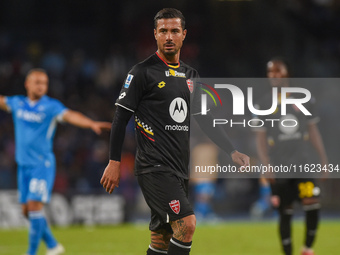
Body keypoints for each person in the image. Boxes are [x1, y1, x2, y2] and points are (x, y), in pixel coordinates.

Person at [100, 8, 249, 255]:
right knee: (187, 225)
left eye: (174, 31)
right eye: (163, 31)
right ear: (155, 35)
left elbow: (204, 118)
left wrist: (231, 150)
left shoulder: (191, 76)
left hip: (179, 167)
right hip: (154, 167)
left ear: (184, 35)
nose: (169, 36)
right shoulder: (141, 72)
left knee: (162, 239)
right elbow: (120, 118)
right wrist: (114, 161)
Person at [0, 68, 111, 255]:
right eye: (37, 82)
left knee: (34, 207)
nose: (41, 86)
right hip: (23, 166)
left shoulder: (51, 107)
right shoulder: (17, 103)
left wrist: (90, 123)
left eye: (44, 83)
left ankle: (31, 252)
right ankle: (53, 245)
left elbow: (71, 115)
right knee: (27, 211)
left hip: (41, 165)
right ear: (27, 84)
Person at [254, 58, 329, 255]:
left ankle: (307, 248)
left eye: (279, 71)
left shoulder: (303, 98)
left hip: (303, 163)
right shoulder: (262, 103)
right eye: (270, 72)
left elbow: (313, 131)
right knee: (284, 213)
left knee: (312, 204)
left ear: (287, 73)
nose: (274, 75)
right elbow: (260, 138)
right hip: (279, 166)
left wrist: (323, 160)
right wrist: (266, 165)